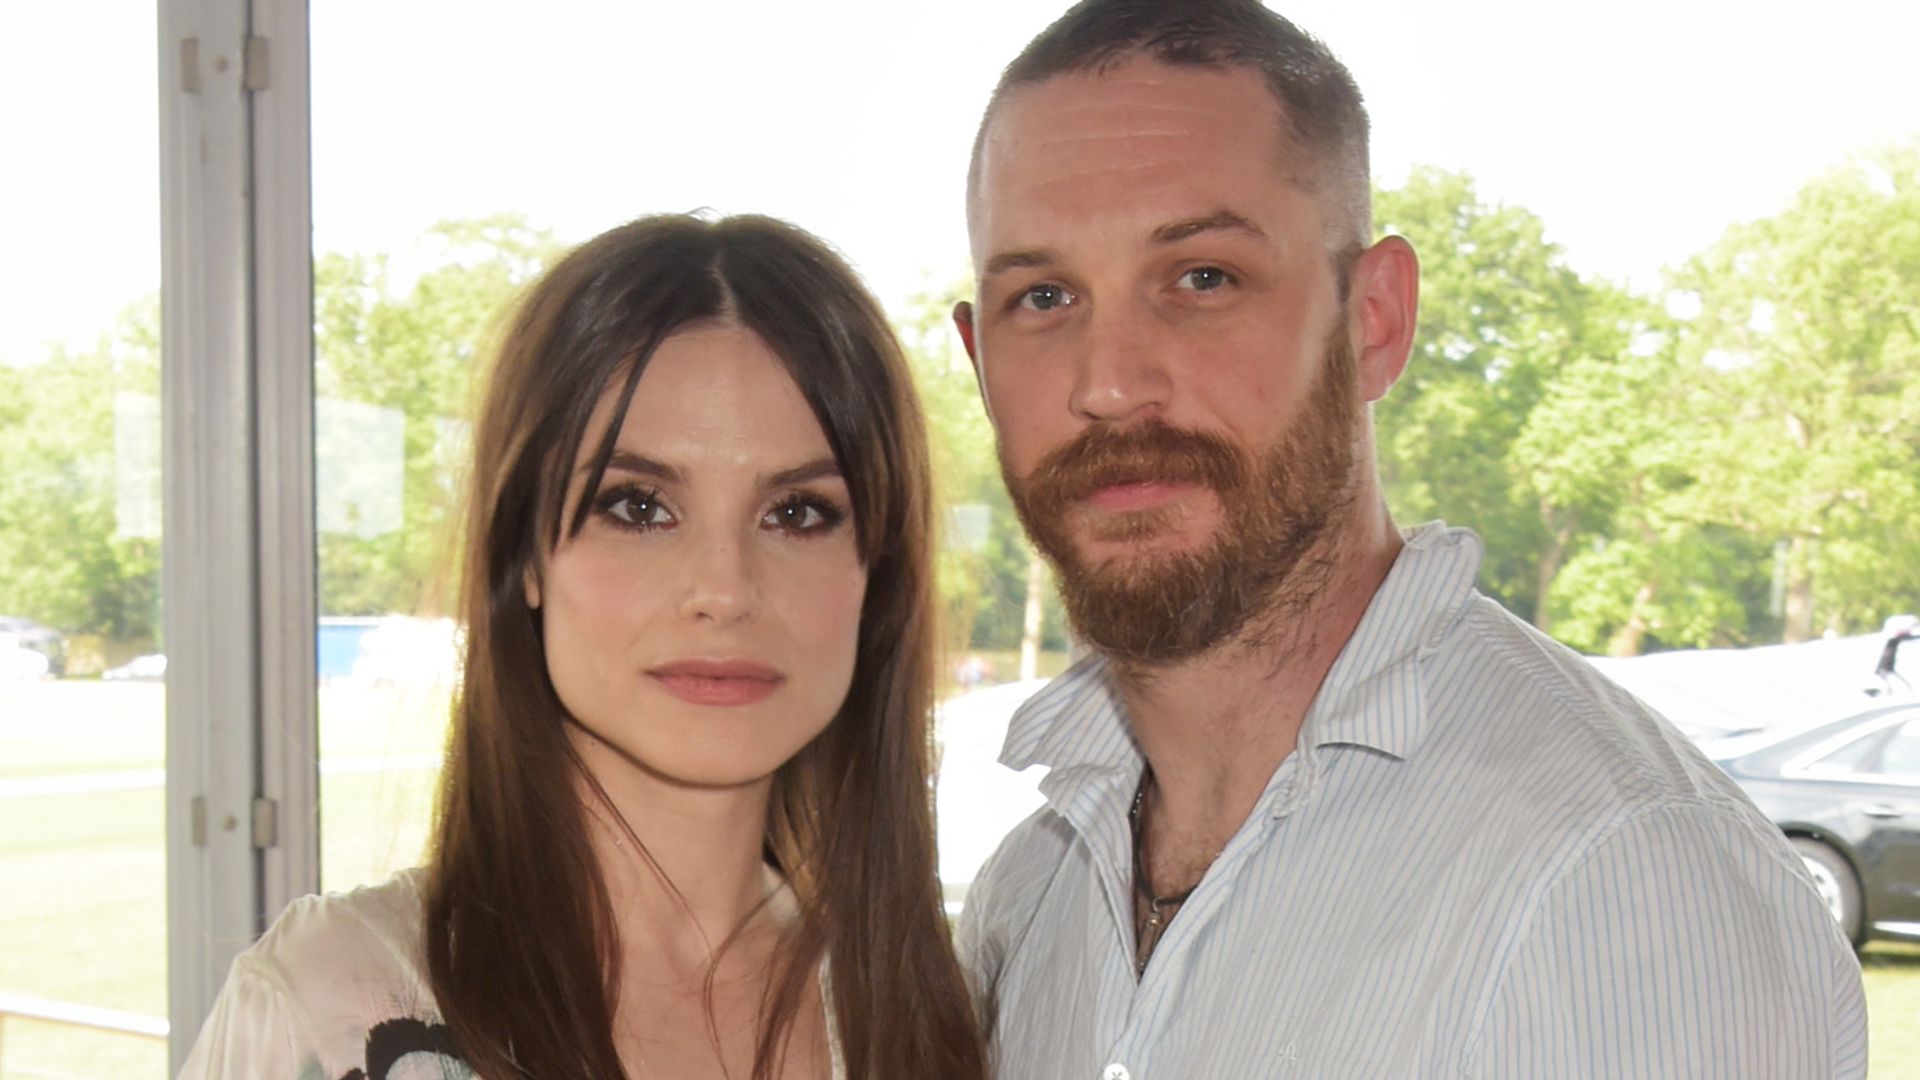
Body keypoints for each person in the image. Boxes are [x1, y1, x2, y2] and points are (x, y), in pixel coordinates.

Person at [949, 3, 1867, 1077]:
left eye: (1202, 278)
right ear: (978, 360)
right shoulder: (1028, 899)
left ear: (1374, 320)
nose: (1109, 382)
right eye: (1043, 296)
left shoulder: (1625, 880)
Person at [179, 215, 987, 1079]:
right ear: (524, 554)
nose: (724, 589)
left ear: (877, 575)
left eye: (796, 513)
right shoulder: (332, 1006)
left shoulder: (931, 1015)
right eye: (639, 507)